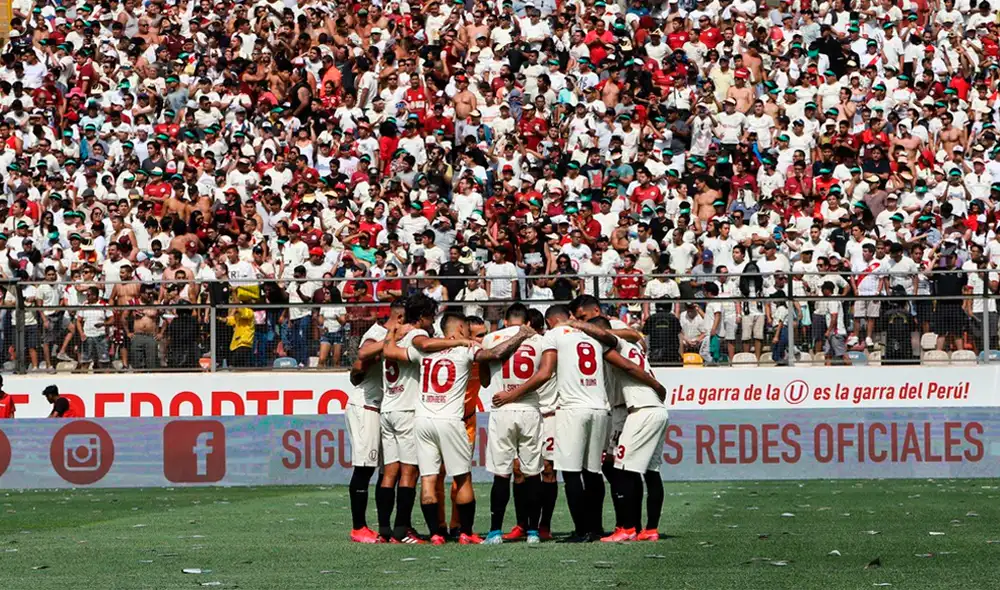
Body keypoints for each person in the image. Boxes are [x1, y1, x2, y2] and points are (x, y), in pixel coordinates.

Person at [493, 304, 664, 543]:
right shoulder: (591, 335)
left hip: (572, 409)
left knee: (572, 473)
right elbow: (623, 355)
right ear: (570, 317)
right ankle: (596, 528)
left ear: (551, 322)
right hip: (599, 408)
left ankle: (581, 530)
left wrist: (512, 394)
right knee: (593, 471)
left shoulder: (553, 336)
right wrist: (654, 382)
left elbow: (545, 372)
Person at [383, 306, 532, 545]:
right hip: (452, 420)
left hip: (422, 420)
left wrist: (391, 332)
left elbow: (389, 351)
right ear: (461, 328)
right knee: (462, 478)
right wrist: (521, 335)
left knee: (429, 479)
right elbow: (496, 353)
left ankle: (435, 534)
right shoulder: (466, 350)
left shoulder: (426, 350)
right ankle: (465, 532)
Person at [345, 299, 407, 543]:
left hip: (383, 408)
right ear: (400, 318)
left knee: (387, 469)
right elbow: (361, 358)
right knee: (364, 467)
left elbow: (356, 372)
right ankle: (358, 527)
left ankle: (385, 527)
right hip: (366, 407)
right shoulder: (377, 333)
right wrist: (389, 340)